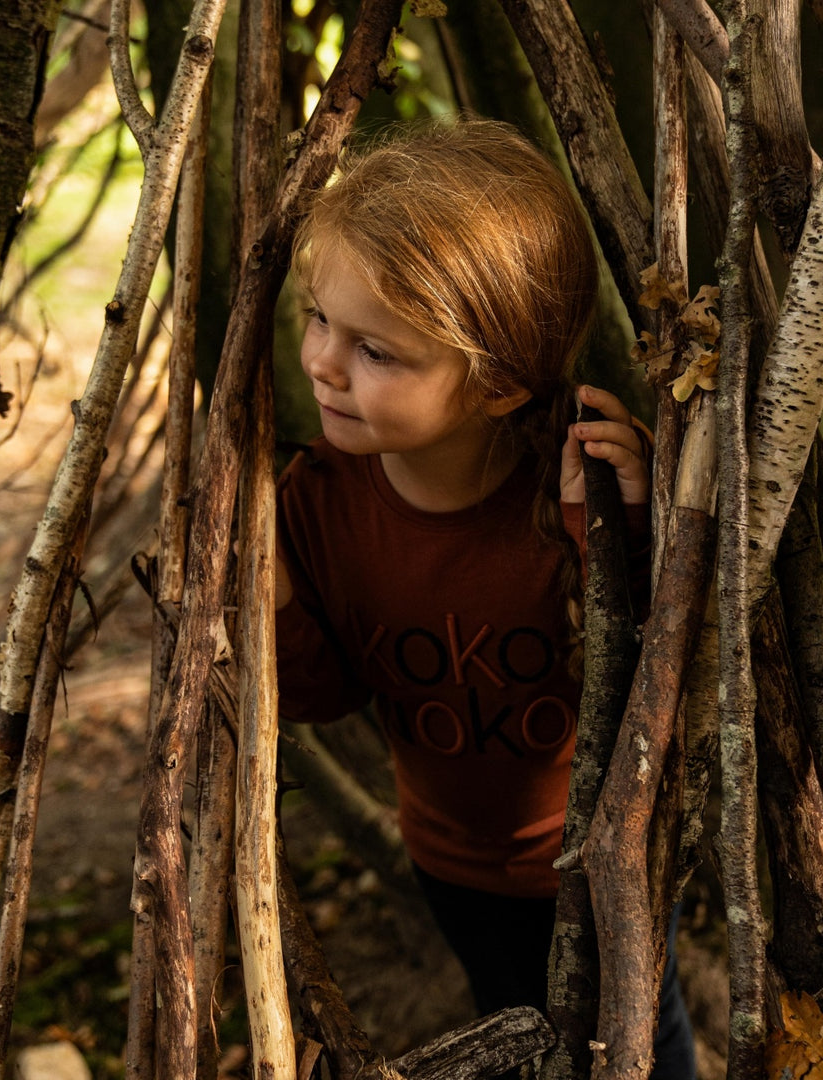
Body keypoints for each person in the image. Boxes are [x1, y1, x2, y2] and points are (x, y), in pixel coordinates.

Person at [273, 118, 694, 1077]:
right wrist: (276, 595)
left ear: (499, 383)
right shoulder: (315, 507)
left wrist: (614, 526)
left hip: (602, 858)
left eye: (378, 351)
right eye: (317, 318)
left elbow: (646, 662)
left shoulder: (572, 485)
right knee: (513, 1024)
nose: (324, 364)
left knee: (640, 1031)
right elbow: (322, 698)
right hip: (450, 857)